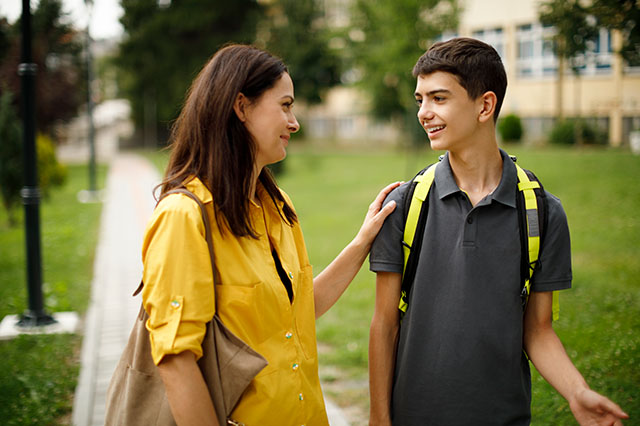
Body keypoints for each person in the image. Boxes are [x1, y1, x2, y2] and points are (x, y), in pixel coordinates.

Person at [368, 37, 629, 426]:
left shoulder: (541, 212)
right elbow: (384, 325)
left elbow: (538, 332)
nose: (424, 112)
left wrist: (577, 391)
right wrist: (378, 418)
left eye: (438, 98)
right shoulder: (405, 204)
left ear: (485, 105)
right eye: (420, 99)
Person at [142, 44, 399, 426]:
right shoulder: (184, 216)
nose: (294, 122)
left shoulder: (278, 208)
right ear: (241, 107)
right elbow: (176, 360)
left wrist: (362, 242)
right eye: (285, 105)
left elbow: (300, 309)